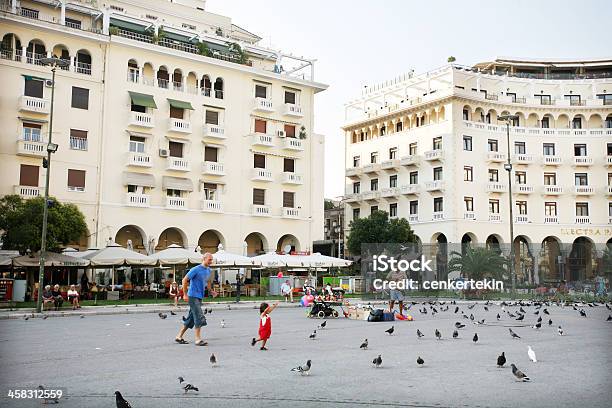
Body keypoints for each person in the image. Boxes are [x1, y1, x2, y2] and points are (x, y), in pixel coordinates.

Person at [174, 253, 215, 346]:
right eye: (209, 260)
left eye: (211, 260)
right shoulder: (195, 269)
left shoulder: (208, 270)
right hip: (192, 296)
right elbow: (184, 280)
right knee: (198, 316)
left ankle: (178, 336)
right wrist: (184, 294)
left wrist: (210, 291)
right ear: (204, 259)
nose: (211, 262)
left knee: (191, 318)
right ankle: (197, 339)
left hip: (199, 296)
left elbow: (207, 281)